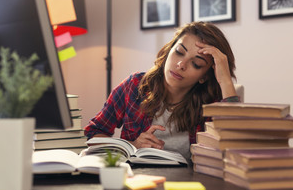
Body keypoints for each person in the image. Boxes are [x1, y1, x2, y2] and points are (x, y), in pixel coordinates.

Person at [84, 21, 240, 161]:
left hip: (188, 186)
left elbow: (234, 149)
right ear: (169, 50)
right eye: (179, 51)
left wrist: (225, 80)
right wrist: (132, 145)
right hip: (136, 182)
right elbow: (94, 133)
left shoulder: (212, 103)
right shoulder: (134, 85)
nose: (181, 64)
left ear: (204, 77)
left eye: (196, 64)